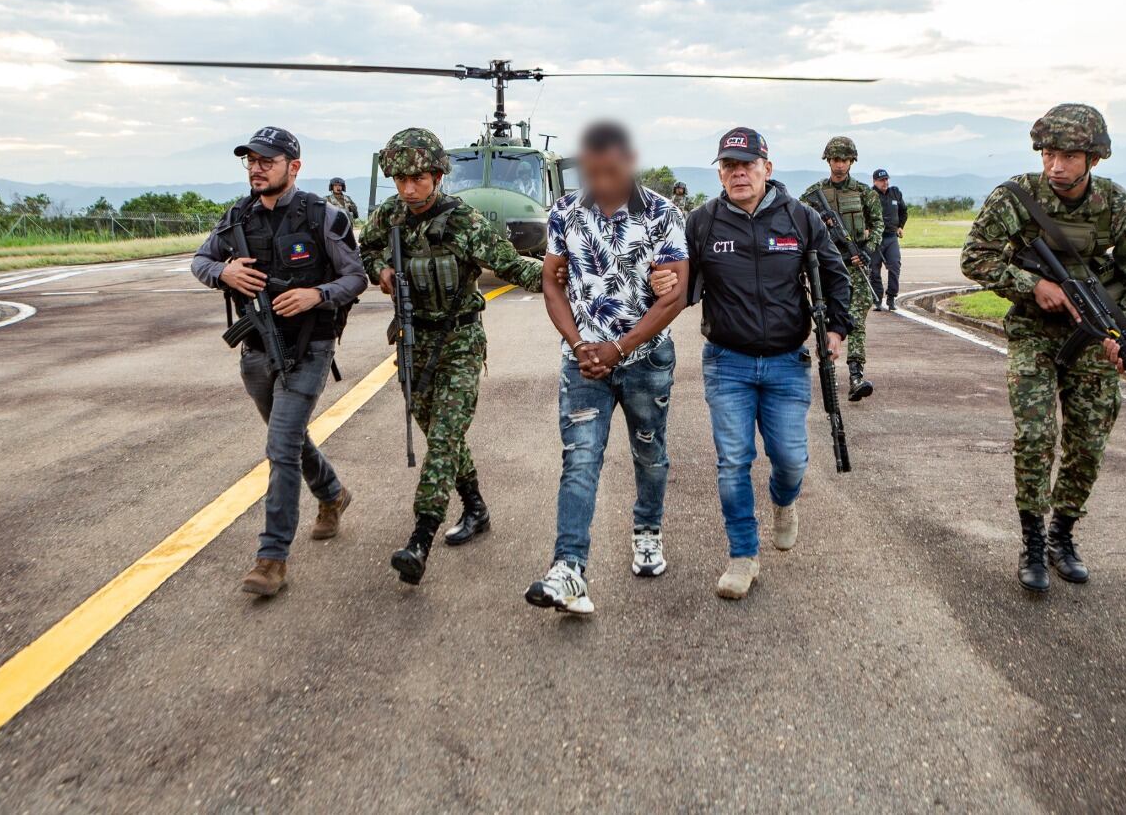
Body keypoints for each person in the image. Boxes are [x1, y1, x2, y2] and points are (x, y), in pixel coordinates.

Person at [960, 104, 1126, 593]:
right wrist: (1032, 286)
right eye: (1049, 153)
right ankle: (1031, 540)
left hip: (1092, 336)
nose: (1056, 166)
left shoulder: (1122, 209)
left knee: (1088, 442)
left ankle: (1062, 534)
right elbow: (975, 258)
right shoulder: (1016, 196)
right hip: (1033, 333)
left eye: (1069, 156)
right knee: (1034, 436)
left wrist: (1123, 332)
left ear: (1094, 158)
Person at [655, 127, 852, 599]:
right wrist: (660, 286)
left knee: (790, 460)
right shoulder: (702, 222)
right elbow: (683, 286)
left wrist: (836, 329)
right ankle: (743, 555)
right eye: (728, 166)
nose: (737, 173)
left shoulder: (801, 218)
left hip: (787, 363)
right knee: (733, 462)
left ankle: (784, 502)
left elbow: (835, 275)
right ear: (721, 173)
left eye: (746, 165)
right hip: (727, 363)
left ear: (768, 167)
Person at [358, 127, 545, 585]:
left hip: (460, 341)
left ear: (438, 175)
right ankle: (476, 508)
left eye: (418, 178)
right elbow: (367, 249)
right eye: (400, 179)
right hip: (412, 342)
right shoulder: (389, 216)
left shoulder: (465, 222)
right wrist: (380, 270)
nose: (408, 188)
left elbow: (514, 266)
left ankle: (421, 537)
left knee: (443, 438)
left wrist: (569, 276)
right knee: (441, 436)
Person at [191, 126, 368, 597]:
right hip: (256, 350)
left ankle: (271, 558)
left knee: (281, 446)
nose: (255, 167)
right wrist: (221, 270)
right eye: (250, 160)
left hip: (310, 347)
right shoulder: (236, 218)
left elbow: (356, 278)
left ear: (294, 167)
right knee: (287, 439)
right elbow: (200, 261)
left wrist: (316, 294)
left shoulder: (322, 217)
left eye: (266, 160)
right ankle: (331, 494)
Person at [524, 122, 689, 616]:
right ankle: (568, 569)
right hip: (583, 366)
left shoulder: (663, 214)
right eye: (592, 169)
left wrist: (619, 347)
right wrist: (578, 345)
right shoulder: (565, 212)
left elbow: (675, 294)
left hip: (645, 360)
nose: (600, 178)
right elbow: (552, 283)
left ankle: (647, 532)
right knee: (580, 460)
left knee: (649, 453)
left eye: (610, 168)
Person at [800, 136, 883, 402]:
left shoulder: (863, 193)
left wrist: (867, 251)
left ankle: (856, 374)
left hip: (855, 265)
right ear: (828, 161)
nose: (839, 165)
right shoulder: (814, 194)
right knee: (824, 317)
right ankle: (828, 370)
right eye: (835, 159)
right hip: (825, 267)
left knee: (856, 319)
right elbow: (798, 222)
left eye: (844, 160)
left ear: (852, 161)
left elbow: (879, 225)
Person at [867, 168, 907, 312]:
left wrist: (900, 226)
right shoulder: (869, 195)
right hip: (876, 239)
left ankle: (891, 298)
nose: (885, 182)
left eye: (886, 179)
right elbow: (862, 214)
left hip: (891, 237)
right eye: (882, 180)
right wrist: (867, 229)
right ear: (875, 181)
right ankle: (877, 300)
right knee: (874, 270)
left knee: (895, 266)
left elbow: (903, 211)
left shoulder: (895, 192)